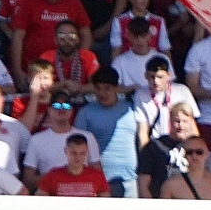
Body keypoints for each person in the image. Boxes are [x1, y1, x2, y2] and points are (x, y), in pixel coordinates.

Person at [74, 68, 138, 196]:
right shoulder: (85, 112)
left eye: (107, 88)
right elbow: (77, 144)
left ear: (117, 88)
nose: (102, 93)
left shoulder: (132, 108)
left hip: (131, 179)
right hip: (99, 179)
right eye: (98, 88)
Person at [160, 131, 211, 199]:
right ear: (184, 155)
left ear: (206, 154)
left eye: (199, 152)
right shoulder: (170, 185)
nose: (194, 156)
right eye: (189, 152)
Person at [37, 133, 113, 196]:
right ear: (66, 151)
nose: (78, 157)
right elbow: (38, 201)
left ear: (87, 152)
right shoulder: (53, 175)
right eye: (74, 153)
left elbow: (106, 204)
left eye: (82, 153)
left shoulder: (97, 176)